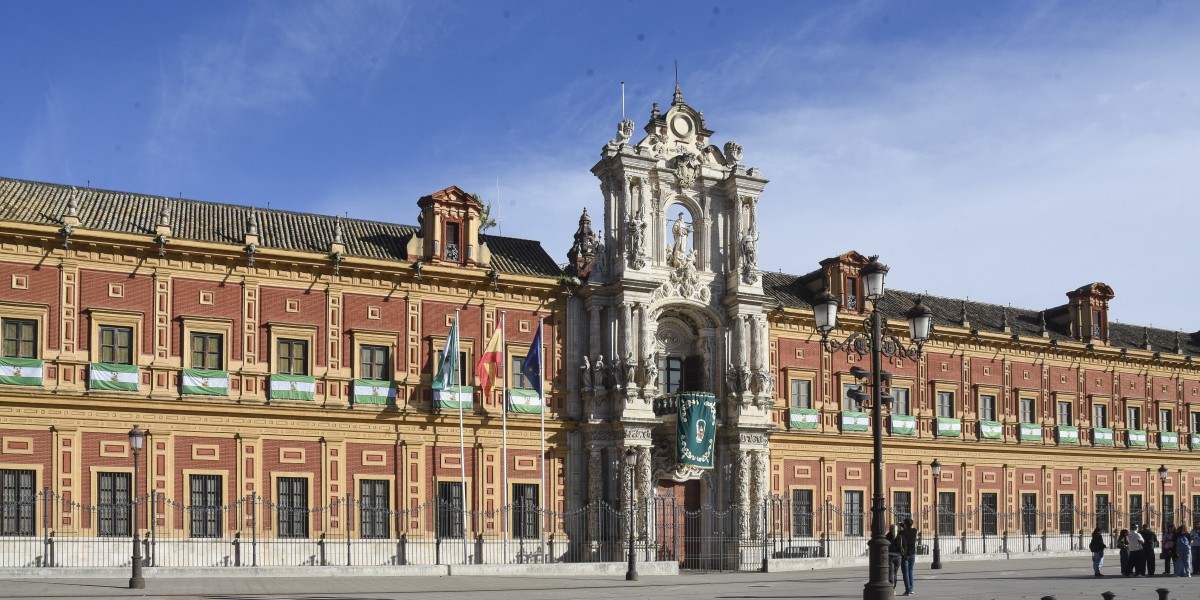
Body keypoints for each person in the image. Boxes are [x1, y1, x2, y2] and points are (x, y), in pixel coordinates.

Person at [899, 517, 918, 596]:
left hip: (905, 554)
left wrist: (900, 524)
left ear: (905, 524)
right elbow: (907, 528)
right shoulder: (914, 531)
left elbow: (903, 531)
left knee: (905, 572)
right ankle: (911, 589)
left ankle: (908, 590)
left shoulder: (902, 533)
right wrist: (903, 524)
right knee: (911, 571)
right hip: (912, 554)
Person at [887, 524, 902, 589]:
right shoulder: (900, 537)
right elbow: (904, 546)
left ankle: (891, 587)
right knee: (895, 573)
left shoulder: (887, 536)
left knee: (891, 572)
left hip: (890, 556)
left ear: (890, 529)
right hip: (898, 557)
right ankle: (894, 586)